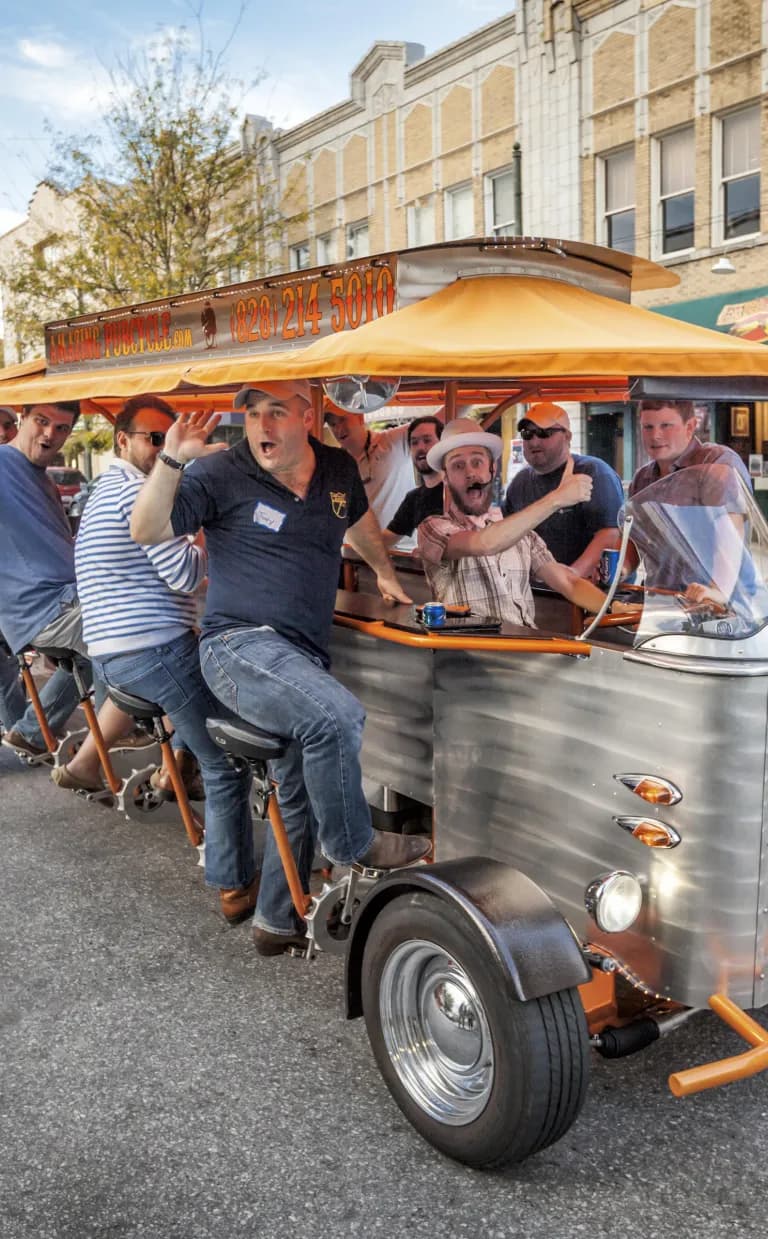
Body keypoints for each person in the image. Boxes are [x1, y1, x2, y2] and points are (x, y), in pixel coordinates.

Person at [130, 380, 431, 957]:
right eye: (252, 415)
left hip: (301, 657)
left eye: (275, 413)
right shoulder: (219, 474)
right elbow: (146, 528)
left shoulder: (338, 468)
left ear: (307, 416)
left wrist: (383, 571)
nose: (261, 427)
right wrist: (171, 457)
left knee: (295, 790)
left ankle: (276, 922)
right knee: (337, 717)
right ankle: (354, 846)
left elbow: (359, 524)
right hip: (237, 648)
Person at [72, 394, 257, 923]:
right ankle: (234, 885)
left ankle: (176, 780)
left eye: (166, 439)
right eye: (154, 439)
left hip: (115, 657)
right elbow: (184, 575)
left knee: (207, 721)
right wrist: (214, 533)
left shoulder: (106, 486)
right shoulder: (138, 491)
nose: (161, 449)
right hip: (152, 649)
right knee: (227, 759)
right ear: (122, 440)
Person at [0, 401, 139, 768]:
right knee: (135, 633)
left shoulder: (40, 476)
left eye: (61, 428)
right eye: (42, 422)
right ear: (22, 418)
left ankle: (31, 733)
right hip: (44, 606)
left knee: (90, 655)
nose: (50, 435)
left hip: (67, 598)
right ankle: (123, 722)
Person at [417, 418, 637, 626]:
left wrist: (614, 608)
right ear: (445, 478)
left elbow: (568, 582)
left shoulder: (523, 535)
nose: (470, 473)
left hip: (524, 649)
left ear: (492, 469)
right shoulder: (433, 528)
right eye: (458, 466)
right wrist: (557, 498)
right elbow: (484, 544)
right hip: (470, 655)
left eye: (477, 462)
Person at [503, 403, 624, 579]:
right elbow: (508, 536)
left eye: (545, 433)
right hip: (536, 592)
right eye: (527, 434)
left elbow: (610, 535)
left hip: (588, 595)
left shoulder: (593, 472)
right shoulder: (519, 483)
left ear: (567, 436)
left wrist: (570, 579)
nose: (534, 441)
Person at [629, 399, 752, 497]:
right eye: (648, 427)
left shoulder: (717, 462)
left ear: (690, 427)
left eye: (665, 426)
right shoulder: (640, 478)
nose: (655, 436)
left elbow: (731, 526)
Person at [324, 408, 417, 528]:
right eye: (332, 424)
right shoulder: (335, 465)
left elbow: (437, 421)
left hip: (400, 546)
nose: (338, 429)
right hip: (354, 545)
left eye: (342, 419)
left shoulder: (393, 441)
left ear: (360, 417)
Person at [382, 416, 445, 547]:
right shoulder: (413, 498)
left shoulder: (456, 490)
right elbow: (385, 541)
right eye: (414, 442)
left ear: (443, 444)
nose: (420, 447)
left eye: (427, 440)